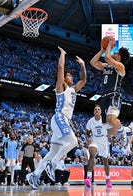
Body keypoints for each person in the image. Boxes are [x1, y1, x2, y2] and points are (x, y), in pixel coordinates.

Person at [26, 46, 87, 190]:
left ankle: (34, 175)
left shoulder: (73, 90)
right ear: (64, 78)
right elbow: (60, 67)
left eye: (72, 76)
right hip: (60, 118)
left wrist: (83, 65)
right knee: (73, 141)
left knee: (53, 151)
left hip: (63, 121)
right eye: (69, 75)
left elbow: (83, 80)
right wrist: (63, 54)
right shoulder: (61, 87)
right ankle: (53, 164)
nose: (72, 77)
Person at [90, 39, 130, 136]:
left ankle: (123, 130)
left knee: (111, 119)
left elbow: (107, 58)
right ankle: (117, 136)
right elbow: (93, 62)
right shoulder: (106, 66)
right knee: (107, 127)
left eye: (116, 52)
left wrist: (109, 46)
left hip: (114, 95)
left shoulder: (120, 66)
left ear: (119, 57)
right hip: (104, 97)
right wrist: (102, 50)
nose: (113, 52)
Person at [84, 105, 112, 188]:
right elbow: (87, 132)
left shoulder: (105, 120)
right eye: (95, 109)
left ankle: (108, 179)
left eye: (98, 109)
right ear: (93, 112)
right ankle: (88, 177)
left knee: (105, 162)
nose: (97, 110)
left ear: (100, 112)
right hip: (95, 141)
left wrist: (110, 134)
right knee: (92, 154)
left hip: (103, 142)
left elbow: (110, 130)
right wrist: (88, 138)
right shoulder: (90, 121)